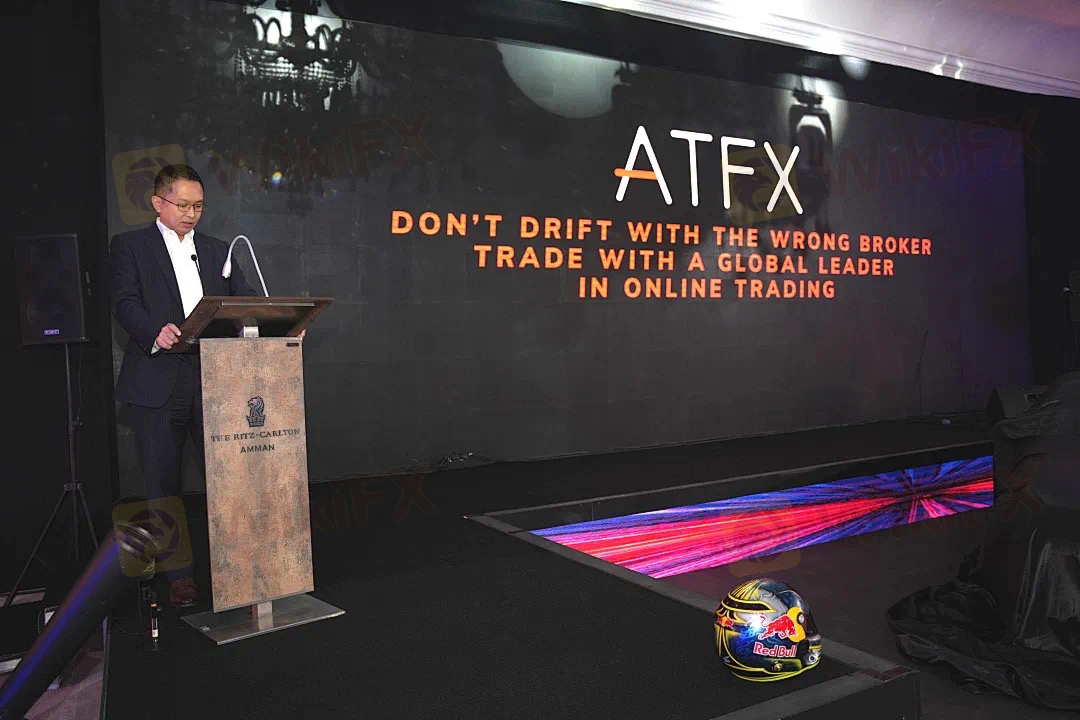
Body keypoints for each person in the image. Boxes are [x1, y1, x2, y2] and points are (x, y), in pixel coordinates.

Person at [108, 164, 257, 608]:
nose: (192, 214)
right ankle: (179, 576)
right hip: (158, 375)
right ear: (159, 203)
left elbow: (246, 300)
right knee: (162, 482)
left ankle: (239, 563)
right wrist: (153, 330)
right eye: (184, 205)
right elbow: (123, 301)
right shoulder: (130, 246)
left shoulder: (217, 251)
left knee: (229, 475)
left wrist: (282, 322)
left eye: (199, 206)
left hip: (214, 377)